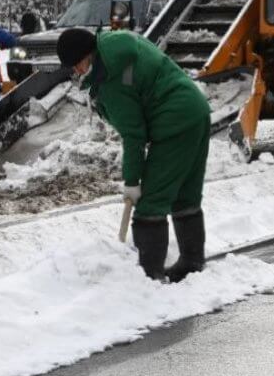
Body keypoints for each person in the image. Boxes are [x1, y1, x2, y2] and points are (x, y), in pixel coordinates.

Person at [57, 27, 211, 282]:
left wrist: (132, 182)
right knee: (185, 195)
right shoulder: (114, 46)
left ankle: (148, 277)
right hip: (195, 111)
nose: (76, 72)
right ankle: (191, 263)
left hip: (174, 122)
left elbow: (134, 135)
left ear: (87, 56)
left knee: (150, 203)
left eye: (77, 65)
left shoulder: (112, 79)